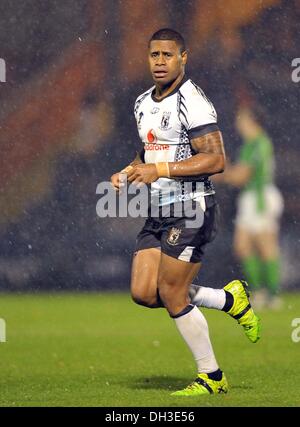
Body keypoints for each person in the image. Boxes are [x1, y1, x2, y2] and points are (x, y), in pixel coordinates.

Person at [110, 29, 260, 397]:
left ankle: (211, 376)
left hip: (192, 209)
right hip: (158, 210)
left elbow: (216, 160)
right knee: (144, 292)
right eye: (154, 55)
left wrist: (157, 171)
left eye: (167, 55)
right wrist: (129, 171)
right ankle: (228, 299)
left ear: (183, 58)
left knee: (172, 293)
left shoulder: (192, 101)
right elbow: (148, 152)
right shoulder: (142, 102)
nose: (159, 62)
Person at [216, 106, 284, 309]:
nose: (239, 124)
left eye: (242, 119)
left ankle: (271, 294)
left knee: (265, 246)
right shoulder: (252, 144)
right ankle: (263, 292)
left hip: (260, 198)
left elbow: (241, 176)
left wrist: (222, 173)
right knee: (243, 246)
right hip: (252, 198)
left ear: (252, 121)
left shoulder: (258, 144)